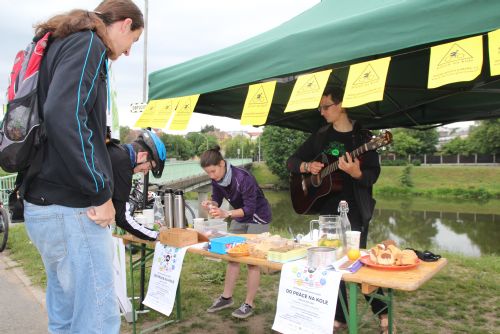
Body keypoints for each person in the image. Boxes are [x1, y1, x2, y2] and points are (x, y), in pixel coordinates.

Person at [22, 1, 144, 333]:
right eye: (133, 41)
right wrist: (100, 192)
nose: (129, 52)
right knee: (97, 316)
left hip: (42, 200)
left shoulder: (56, 43)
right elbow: (65, 117)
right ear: (124, 24)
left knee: (64, 312)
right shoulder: (89, 42)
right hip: (73, 207)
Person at [286, 86, 391, 333]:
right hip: (327, 211)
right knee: (330, 265)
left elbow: (371, 177)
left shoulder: (365, 138)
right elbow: (292, 161)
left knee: (356, 265)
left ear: (341, 105)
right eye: (320, 108)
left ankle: (383, 314)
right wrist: (307, 167)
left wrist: (355, 172)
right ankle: (341, 316)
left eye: (326, 107)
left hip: (355, 211)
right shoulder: (321, 136)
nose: (322, 112)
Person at [200, 146, 272, 319]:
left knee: (252, 261)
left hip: (258, 217)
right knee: (231, 255)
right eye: (208, 173)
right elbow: (217, 197)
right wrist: (212, 204)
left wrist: (227, 213)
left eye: (213, 171)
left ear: (222, 164)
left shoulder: (243, 178)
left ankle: (249, 303)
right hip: (240, 217)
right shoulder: (217, 179)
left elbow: (249, 209)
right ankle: (226, 298)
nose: (211, 176)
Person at [107, 129, 167, 241]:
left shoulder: (116, 150)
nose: (145, 172)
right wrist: (155, 235)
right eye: (149, 167)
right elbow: (122, 218)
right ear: (143, 155)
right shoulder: (123, 164)